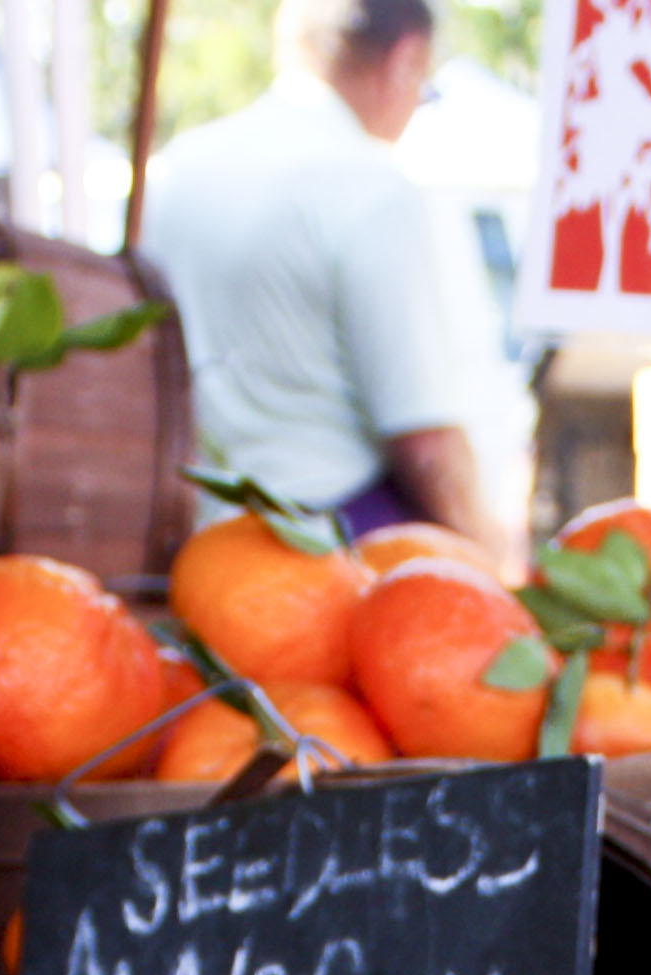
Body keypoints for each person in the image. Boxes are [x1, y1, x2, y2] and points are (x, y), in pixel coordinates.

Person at [143, 0, 510, 560]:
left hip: (190, 544)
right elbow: (426, 442)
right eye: (425, 85)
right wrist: (499, 561)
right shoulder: (371, 188)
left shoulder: (180, 168)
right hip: (329, 558)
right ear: (405, 60)